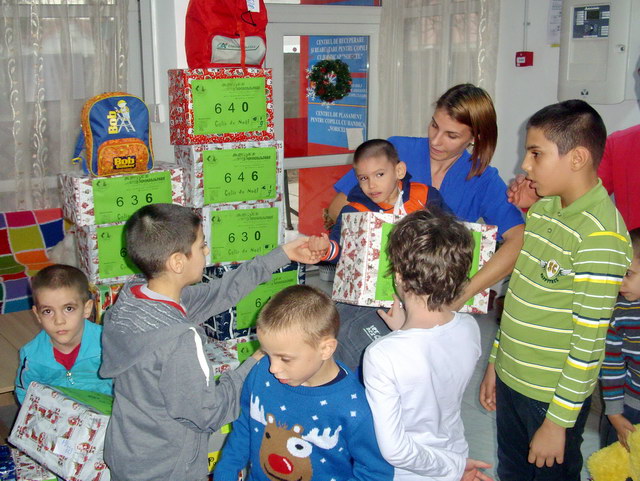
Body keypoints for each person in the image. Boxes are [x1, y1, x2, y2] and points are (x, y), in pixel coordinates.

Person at [99, 203, 322, 481]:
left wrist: (283, 254)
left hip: (128, 452)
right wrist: (254, 362)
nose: (207, 252)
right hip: (167, 467)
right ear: (178, 262)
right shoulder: (179, 340)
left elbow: (220, 293)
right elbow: (209, 414)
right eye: (202, 245)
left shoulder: (133, 299)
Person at [479, 100, 632, 481]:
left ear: (577, 158)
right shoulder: (546, 209)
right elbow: (519, 297)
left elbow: (589, 343)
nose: (525, 166)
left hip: (550, 397)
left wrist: (557, 424)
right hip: (514, 378)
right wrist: (496, 364)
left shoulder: (601, 237)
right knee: (513, 471)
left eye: (535, 154)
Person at [328, 84, 525, 307]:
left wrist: (462, 294)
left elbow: (518, 239)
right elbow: (338, 209)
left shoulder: (483, 179)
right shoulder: (396, 149)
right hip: (375, 293)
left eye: (451, 135)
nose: (436, 140)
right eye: (434, 125)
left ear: (475, 137)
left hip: (436, 304)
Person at [212, 284, 394, 481]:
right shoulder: (260, 374)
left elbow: (376, 473)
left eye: (285, 359)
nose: (272, 368)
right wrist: (225, 473)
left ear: (325, 349)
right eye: (266, 353)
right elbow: (244, 429)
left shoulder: (355, 408)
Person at [363, 209, 489, 481]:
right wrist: (402, 329)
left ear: (398, 276)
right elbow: (432, 358)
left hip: (411, 473)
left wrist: (453, 469)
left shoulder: (381, 355)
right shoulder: (469, 328)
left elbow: (395, 450)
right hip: (454, 451)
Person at [311, 138, 447, 263]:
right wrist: (326, 249)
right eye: (364, 178)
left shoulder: (426, 196)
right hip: (374, 287)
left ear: (399, 171)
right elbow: (342, 251)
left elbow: (452, 231)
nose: (372, 185)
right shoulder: (354, 212)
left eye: (379, 174)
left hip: (423, 280)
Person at [508, 124, 640, 231]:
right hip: (629, 256)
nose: (525, 165)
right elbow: (577, 198)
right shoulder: (620, 144)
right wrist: (539, 199)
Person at [15, 264, 112, 404]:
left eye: (68, 308)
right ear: (37, 315)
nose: (59, 321)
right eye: (48, 311)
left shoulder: (107, 344)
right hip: (58, 415)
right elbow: (25, 393)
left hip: (107, 412)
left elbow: (128, 383)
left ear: (87, 309)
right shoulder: (32, 356)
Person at [599, 227, 640, 450]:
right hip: (628, 410)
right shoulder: (618, 313)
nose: (619, 282)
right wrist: (614, 414)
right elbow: (612, 366)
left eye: (628, 274)